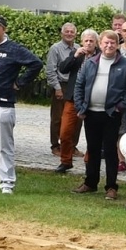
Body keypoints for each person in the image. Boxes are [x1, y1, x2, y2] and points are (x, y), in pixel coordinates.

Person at [72, 29, 126, 200]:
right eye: (106, 42)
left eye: (113, 43)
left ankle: (111, 186)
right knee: (92, 149)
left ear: (117, 45)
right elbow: (79, 85)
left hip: (111, 114)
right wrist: (80, 107)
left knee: (109, 151)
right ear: (100, 44)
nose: (109, 45)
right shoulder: (90, 63)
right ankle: (90, 183)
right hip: (91, 113)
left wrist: (120, 107)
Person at [0, 13, 42, 195]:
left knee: (4, 145)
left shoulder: (13, 48)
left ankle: (6, 182)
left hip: (3, 103)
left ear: (3, 29)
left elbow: (36, 63)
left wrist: (20, 83)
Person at [54, 29, 96, 173]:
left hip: (92, 100)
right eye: (86, 41)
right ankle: (66, 161)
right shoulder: (77, 54)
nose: (89, 43)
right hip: (72, 98)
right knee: (65, 132)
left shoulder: (101, 57)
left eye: (91, 41)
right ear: (81, 42)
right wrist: (74, 56)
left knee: (92, 134)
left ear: (96, 43)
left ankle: (89, 162)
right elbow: (63, 69)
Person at [44, 22, 79, 157]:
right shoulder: (55, 48)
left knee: (76, 118)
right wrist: (57, 88)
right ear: (62, 33)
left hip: (75, 85)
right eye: (67, 31)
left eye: (72, 32)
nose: (69, 34)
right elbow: (50, 71)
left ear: (75, 34)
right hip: (61, 85)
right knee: (58, 118)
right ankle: (55, 145)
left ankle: (72, 146)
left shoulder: (78, 48)